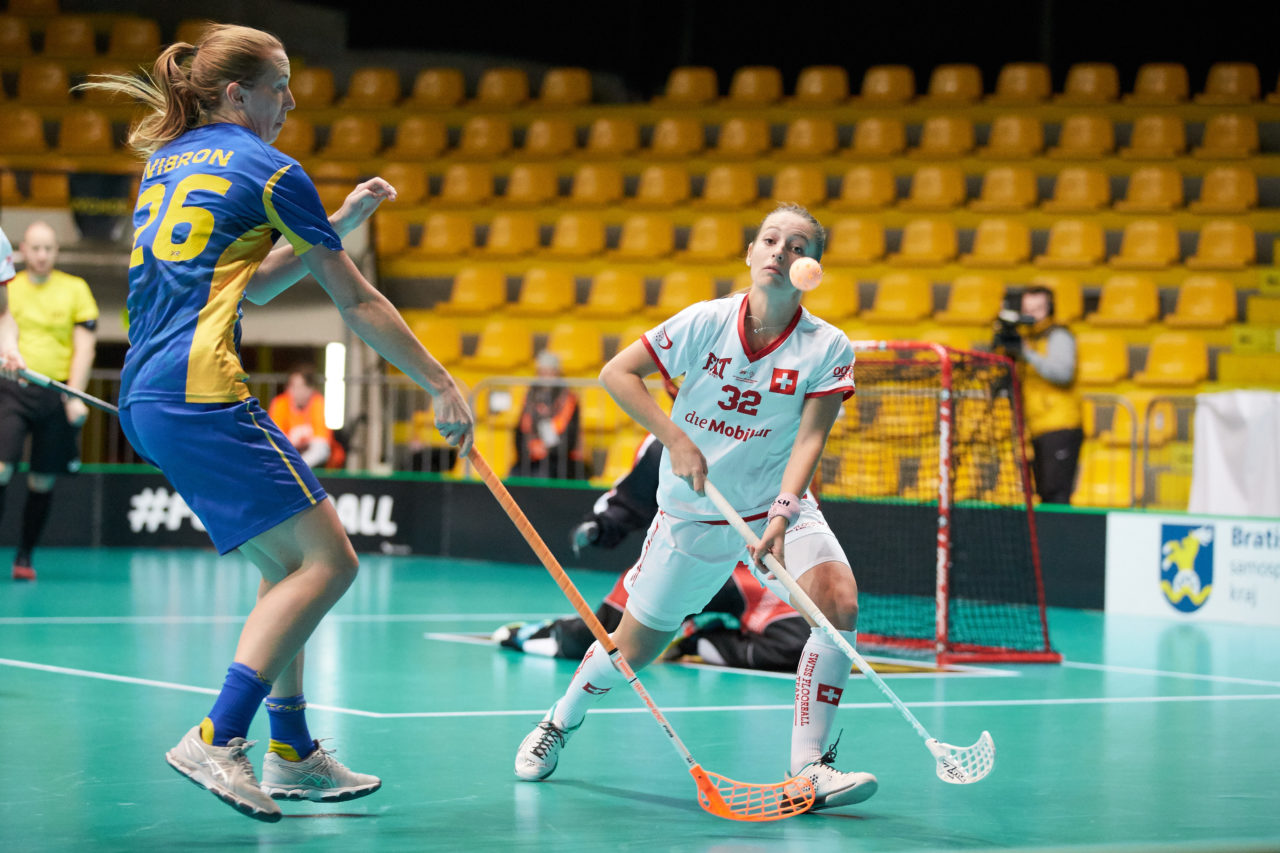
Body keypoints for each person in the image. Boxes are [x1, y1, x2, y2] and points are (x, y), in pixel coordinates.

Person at [82, 24, 474, 822]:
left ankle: (290, 751)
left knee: (285, 565)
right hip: (203, 390)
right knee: (332, 563)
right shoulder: (270, 167)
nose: (290, 101)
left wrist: (336, 217)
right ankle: (217, 735)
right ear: (237, 93)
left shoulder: (169, 161)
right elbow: (357, 300)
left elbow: (252, 285)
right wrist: (440, 382)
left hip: (147, 395)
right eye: (279, 86)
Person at [513, 203, 877, 813]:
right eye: (769, 239)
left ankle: (809, 769)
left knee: (837, 601)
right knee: (633, 648)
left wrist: (784, 516)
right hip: (692, 512)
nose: (779, 252)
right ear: (750, 252)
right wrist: (675, 439)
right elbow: (617, 372)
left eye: (796, 245)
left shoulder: (827, 346)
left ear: (812, 266)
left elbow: (812, 437)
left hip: (773, 505)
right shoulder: (706, 322)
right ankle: (559, 718)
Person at [0, 222, 99, 581]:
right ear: (22, 250)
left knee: (41, 481)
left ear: (56, 252)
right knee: (1, 469)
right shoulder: (9, 285)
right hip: (11, 387)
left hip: (55, 391)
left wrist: (74, 395)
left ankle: (24, 556)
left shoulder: (76, 290)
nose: (42, 256)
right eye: (36, 248)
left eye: (49, 249)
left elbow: (84, 347)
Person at [994, 286, 1082, 503]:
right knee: (1044, 493)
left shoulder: (1058, 335)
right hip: (1036, 427)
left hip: (1060, 426)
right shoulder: (1025, 338)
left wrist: (1027, 354)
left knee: (1056, 493)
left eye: (1038, 308)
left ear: (1050, 309)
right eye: (1027, 309)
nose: (1032, 314)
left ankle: (1058, 537)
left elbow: (1063, 373)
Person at [510, 350, 585, 479]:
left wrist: (547, 451)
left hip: (561, 461)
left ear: (557, 373)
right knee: (515, 474)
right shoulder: (530, 398)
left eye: (549, 373)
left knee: (546, 473)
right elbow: (519, 433)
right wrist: (532, 449)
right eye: (541, 373)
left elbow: (570, 438)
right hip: (532, 459)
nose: (545, 377)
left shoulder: (569, 399)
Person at [267, 365, 345, 469]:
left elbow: (321, 442)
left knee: (321, 449)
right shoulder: (280, 403)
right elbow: (275, 440)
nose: (298, 392)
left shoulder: (318, 402)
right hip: (287, 457)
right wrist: (295, 438)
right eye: (294, 387)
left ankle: (298, 469)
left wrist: (302, 437)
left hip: (318, 464)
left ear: (311, 388)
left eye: (302, 386)